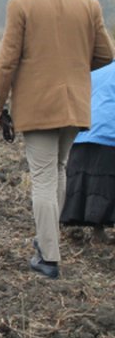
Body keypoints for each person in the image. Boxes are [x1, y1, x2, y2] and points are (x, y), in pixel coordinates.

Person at [0, 0, 115, 279]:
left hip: (38, 105)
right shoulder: (89, 5)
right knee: (59, 170)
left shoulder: (20, 5)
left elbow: (7, 60)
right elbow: (105, 55)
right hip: (75, 105)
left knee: (43, 177)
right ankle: (49, 237)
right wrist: (72, 67)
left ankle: (48, 257)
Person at [60, 62, 115, 243]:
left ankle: (95, 230)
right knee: (105, 185)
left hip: (81, 132)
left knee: (88, 185)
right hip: (108, 135)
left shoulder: (98, 71)